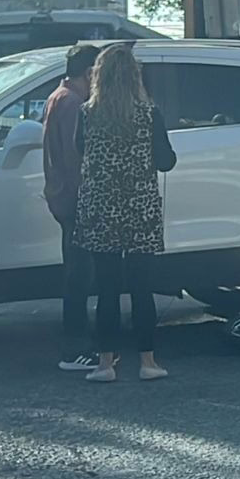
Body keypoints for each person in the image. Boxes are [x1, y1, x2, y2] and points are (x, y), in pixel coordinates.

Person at [74, 45, 177, 383]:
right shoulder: (149, 115)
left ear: (98, 77)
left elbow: (79, 149)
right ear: (134, 76)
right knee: (141, 288)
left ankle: (105, 364)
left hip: (100, 208)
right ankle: (148, 362)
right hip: (139, 208)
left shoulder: (87, 113)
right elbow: (166, 161)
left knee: (106, 289)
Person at [43, 45, 101, 371]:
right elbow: (75, 158)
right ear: (89, 72)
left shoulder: (58, 97)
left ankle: (76, 344)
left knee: (77, 272)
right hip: (76, 199)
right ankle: (75, 348)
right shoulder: (74, 105)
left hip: (63, 197)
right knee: (80, 276)